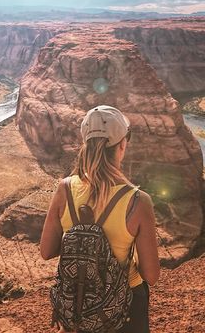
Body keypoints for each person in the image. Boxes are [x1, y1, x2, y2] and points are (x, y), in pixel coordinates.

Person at [40, 105, 160, 333]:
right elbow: (151, 276)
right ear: (122, 145)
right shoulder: (137, 201)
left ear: (86, 143)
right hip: (124, 307)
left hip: (78, 303)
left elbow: (46, 251)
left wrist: (81, 244)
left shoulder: (64, 189)